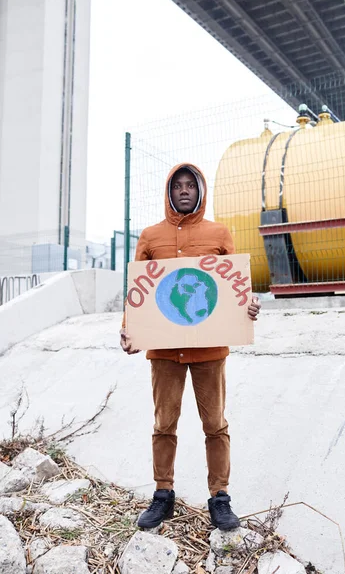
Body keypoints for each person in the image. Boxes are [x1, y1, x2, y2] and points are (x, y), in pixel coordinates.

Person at [120, 163, 260, 530]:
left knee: (215, 424)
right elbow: (138, 294)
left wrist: (248, 305)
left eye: (190, 185)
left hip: (209, 351)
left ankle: (220, 498)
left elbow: (234, 288)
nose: (184, 190)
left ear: (199, 191)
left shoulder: (219, 232)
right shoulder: (151, 237)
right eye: (177, 186)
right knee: (164, 423)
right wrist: (129, 329)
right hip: (164, 352)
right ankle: (163, 495)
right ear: (169, 191)